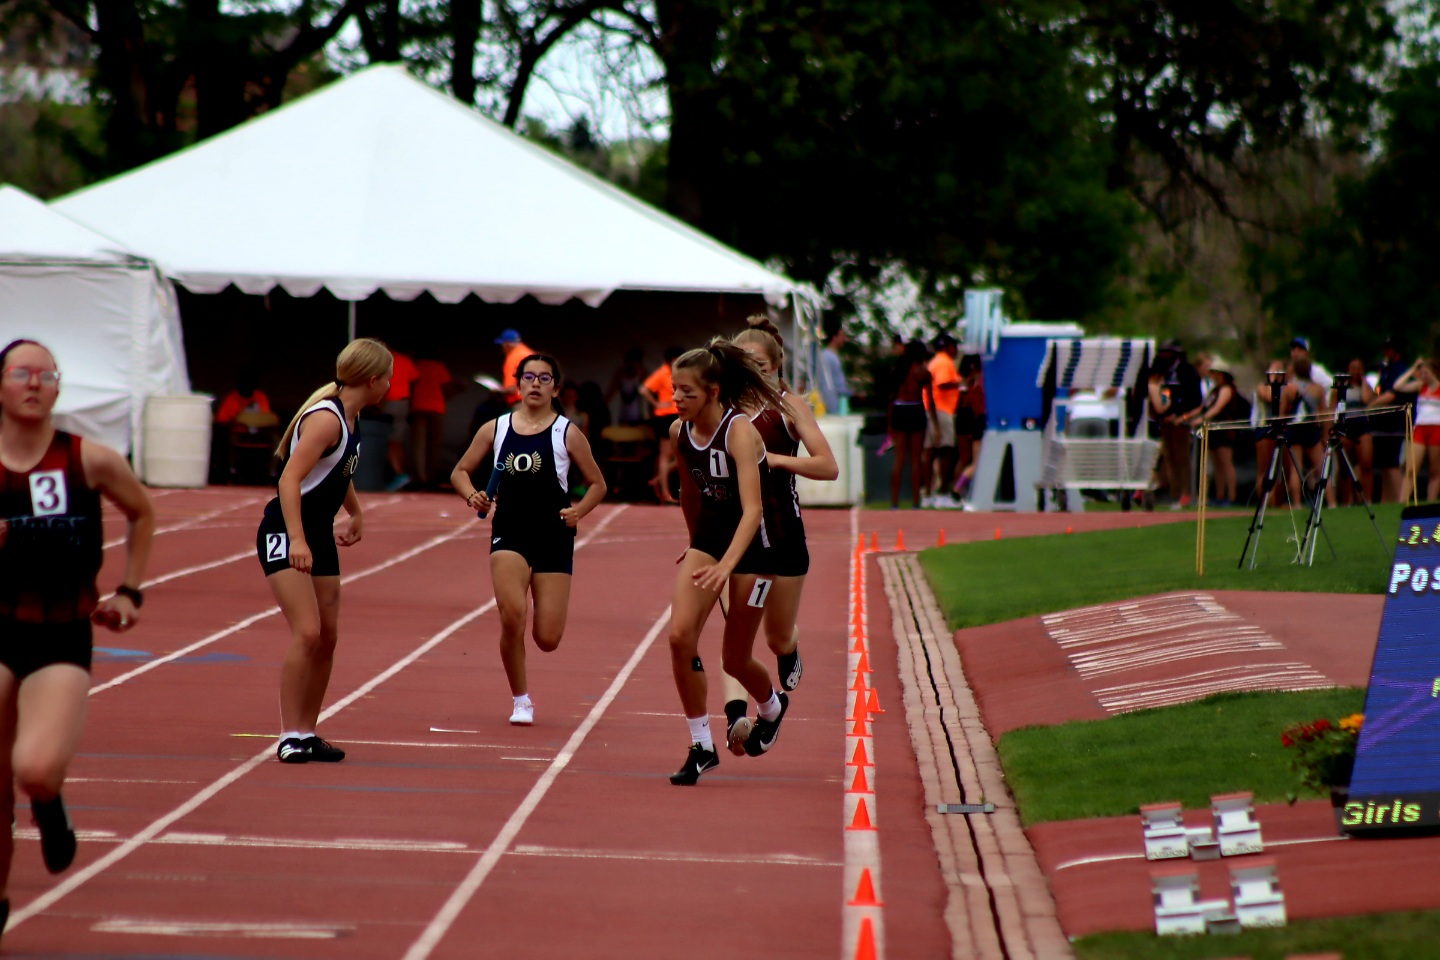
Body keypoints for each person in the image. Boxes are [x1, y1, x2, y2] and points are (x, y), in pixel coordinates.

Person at [0, 339, 155, 916]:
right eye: (22, 373)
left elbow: (142, 511)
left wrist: (130, 590)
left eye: (47, 374)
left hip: (59, 632)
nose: (35, 383)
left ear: (60, 387)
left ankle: (47, 800)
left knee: (34, 770)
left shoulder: (88, 459)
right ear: (1, 385)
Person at [451, 354, 607, 726]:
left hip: (554, 533)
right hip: (510, 531)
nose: (535, 384)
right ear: (518, 384)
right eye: (529, 377)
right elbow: (460, 471)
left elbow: (599, 484)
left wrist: (579, 511)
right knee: (512, 615)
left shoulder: (566, 432)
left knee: (548, 637)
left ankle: (541, 617)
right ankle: (521, 700)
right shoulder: (496, 428)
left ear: (555, 388)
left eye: (544, 378)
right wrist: (472, 495)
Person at [257, 338, 393, 763]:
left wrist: (355, 512)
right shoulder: (326, 419)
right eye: (389, 377)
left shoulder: (352, 419)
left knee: (329, 637)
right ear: (373, 380)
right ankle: (288, 735)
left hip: (318, 530)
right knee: (308, 632)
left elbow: (338, 470)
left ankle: (308, 731)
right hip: (285, 529)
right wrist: (297, 538)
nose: (391, 385)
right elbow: (288, 480)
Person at [665, 339, 789, 785]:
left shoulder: (739, 431)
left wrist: (726, 566)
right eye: (674, 390)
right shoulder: (679, 432)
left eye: (687, 393)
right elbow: (690, 492)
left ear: (713, 392)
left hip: (756, 547)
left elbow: (753, 511)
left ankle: (772, 707)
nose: (677, 399)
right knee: (680, 638)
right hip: (711, 539)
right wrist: (694, 542)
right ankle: (701, 745)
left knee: (735, 659)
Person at [721, 317, 838, 755]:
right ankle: (738, 716)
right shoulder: (722, 409)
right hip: (737, 538)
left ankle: (790, 648)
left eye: (762, 364)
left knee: (774, 636)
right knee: (735, 638)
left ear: (776, 366)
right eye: (745, 363)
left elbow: (828, 466)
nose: (754, 371)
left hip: (784, 536)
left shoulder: (788, 408)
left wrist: (772, 459)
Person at [1180, 361, 1244, 506]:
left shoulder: (1227, 389)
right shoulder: (1214, 390)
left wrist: (1202, 419)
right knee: (1217, 465)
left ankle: (1232, 496)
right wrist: (1186, 417)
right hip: (1214, 431)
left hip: (1224, 430)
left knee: (1226, 463)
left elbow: (1217, 408)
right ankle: (1220, 495)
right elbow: (1203, 407)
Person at [1153, 339, 1203, 508]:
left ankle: (1186, 493)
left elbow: (1194, 398)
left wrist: (1182, 416)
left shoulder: (1187, 370)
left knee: (1182, 458)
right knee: (1170, 457)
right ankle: (1174, 493)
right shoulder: (1165, 371)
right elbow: (1164, 394)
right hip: (1167, 422)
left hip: (1181, 421)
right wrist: (1165, 413)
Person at [887, 340, 936, 509]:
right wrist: (935, 423)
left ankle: (894, 502)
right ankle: (916, 501)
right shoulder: (923, 372)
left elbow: (891, 398)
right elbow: (930, 398)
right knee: (916, 459)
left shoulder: (899, 369)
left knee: (898, 459)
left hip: (899, 408)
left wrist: (889, 423)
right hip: (915, 408)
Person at [1370, 337, 1416, 502]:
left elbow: (1391, 395)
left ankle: (1399, 499)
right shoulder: (1387, 370)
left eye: (1389, 349)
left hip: (1396, 424)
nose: (1386, 352)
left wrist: (1370, 406)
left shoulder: (1400, 369)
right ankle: (1386, 501)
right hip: (1385, 424)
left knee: (1393, 464)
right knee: (1385, 466)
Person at [409, 346, 460, 490]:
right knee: (434, 445)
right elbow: (448, 390)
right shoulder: (439, 367)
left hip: (418, 407)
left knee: (418, 445)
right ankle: (431, 477)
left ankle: (420, 478)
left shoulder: (415, 365)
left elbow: (410, 386)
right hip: (436, 408)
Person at [922, 333, 962, 507]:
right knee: (947, 451)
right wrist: (961, 384)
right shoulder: (945, 361)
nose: (956, 350)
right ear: (947, 347)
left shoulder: (935, 360)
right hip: (942, 409)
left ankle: (928, 493)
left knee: (930, 452)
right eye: (954, 346)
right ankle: (942, 493)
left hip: (932, 409)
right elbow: (942, 383)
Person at [1394, 354, 1440, 503]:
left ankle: (1431, 501)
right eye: (1423, 372)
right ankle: (1403, 501)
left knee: (1434, 470)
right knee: (1411, 469)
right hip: (1420, 428)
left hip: (1436, 428)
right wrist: (1413, 368)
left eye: (1427, 372)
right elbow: (1398, 386)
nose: (1424, 376)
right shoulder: (1421, 386)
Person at [641, 346, 683, 503]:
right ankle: (664, 492)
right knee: (666, 455)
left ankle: (658, 480)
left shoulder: (678, 373)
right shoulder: (663, 372)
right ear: (672, 359)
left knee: (676, 454)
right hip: (666, 416)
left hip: (677, 415)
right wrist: (657, 404)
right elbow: (644, 390)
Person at [1336, 357, 1376, 505]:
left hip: (1362, 426)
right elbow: (1335, 407)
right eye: (1353, 368)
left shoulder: (1366, 387)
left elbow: (1366, 400)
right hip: (1346, 426)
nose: (1355, 372)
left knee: (1366, 464)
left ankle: (1367, 499)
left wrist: (1364, 382)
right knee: (1345, 466)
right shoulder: (1342, 387)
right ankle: (1346, 500)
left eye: (1358, 368)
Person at [381, 346, 419, 491]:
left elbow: (384, 383)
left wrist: (378, 405)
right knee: (397, 440)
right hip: (403, 402)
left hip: (389, 402)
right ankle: (399, 474)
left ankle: (398, 474)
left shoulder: (383, 358)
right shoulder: (405, 360)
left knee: (390, 441)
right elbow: (415, 380)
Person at [953, 354, 986, 501]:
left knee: (974, 460)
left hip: (976, 422)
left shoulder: (971, 384)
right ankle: (958, 488)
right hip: (981, 422)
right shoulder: (980, 383)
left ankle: (966, 490)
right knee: (976, 462)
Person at [816, 320, 851, 415]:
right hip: (833, 406)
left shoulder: (835, 356)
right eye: (842, 336)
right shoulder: (827, 357)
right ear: (835, 337)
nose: (844, 339)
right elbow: (826, 385)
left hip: (840, 404)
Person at [607, 347, 649, 425]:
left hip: (640, 415)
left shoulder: (643, 375)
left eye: (636, 362)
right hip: (624, 414)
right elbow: (611, 393)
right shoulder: (620, 375)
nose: (633, 364)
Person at [496, 329, 535, 407]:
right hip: (539, 403)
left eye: (503, 344)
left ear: (507, 343)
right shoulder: (530, 354)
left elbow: (512, 389)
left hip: (522, 404)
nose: (502, 347)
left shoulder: (514, 357)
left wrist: (498, 390)